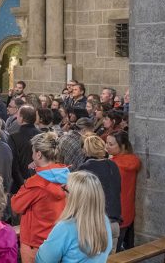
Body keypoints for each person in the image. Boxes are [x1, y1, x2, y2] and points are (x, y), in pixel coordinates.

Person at [11, 132, 69, 263]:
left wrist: (29, 180)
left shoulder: (36, 183)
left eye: (33, 152)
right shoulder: (66, 175)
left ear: (38, 154)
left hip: (35, 244)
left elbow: (16, 205)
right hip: (58, 238)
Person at [37, 171, 112, 262]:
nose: (63, 192)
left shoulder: (65, 227)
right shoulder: (104, 220)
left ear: (74, 197)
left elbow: (43, 260)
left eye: (65, 188)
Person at [80, 135, 121, 252]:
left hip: (97, 224)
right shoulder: (113, 165)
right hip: (114, 222)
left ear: (87, 150)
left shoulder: (86, 168)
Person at [107, 131, 141, 251]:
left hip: (114, 213)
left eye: (111, 144)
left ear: (122, 146)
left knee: (112, 251)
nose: (107, 147)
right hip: (128, 211)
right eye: (107, 143)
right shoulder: (134, 160)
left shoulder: (112, 165)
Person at [7, 105, 41, 193]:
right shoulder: (42, 135)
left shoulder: (13, 137)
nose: (16, 117)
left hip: (20, 185)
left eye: (18, 115)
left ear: (21, 119)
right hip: (40, 181)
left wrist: (22, 183)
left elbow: (13, 163)